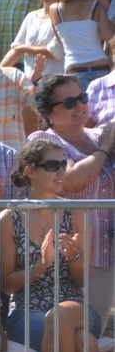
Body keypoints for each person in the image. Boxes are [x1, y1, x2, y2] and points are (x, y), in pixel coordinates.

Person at [0, 139, 99, 352]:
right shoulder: (9, 217)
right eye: (52, 165)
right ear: (30, 171)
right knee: (86, 343)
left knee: (62, 316)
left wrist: (74, 257)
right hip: (27, 312)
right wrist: (41, 266)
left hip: (74, 305)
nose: (60, 171)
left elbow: (82, 281)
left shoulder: (75, 211)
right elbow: (7, 284)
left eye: (63, 164)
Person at [29, 73, 115, 317]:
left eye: (82, 98)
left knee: (93, 336)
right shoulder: (42, 140)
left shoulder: (101, 136)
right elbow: (74, 180)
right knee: (66, 340)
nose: (79, 106)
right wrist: (104, 150)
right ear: (48, 113)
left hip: (104, 254)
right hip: (63, 260)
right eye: (69, 103)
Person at [44, 0, 114, 78]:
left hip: (74, 66)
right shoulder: (96, 5)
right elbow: (108, 36)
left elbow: (62, 43)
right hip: (100, 65)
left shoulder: (54, 10)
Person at [3, 0, 66, 92]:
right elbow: (15, 50)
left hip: (56, 84)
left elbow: (55, 52)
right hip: (31, 83)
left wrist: (24, 49)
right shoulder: (31, 17)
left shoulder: (64, 16)